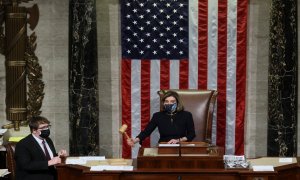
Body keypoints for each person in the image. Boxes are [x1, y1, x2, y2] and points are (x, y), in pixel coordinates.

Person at [127, 90, 196, 146]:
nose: (169, 104)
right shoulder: (157, 116)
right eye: (167, 101)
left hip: (181, 145)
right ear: (163, 103)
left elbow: (192, 134)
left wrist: (178, 140)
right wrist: (135, 140)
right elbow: (146, 132)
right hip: (163, 146)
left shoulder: (187, 115)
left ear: (177, 103)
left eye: (172, 101)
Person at [15, 115, 67, 180]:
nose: (46, 129)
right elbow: (26, 165)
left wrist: (59, 155)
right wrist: (49, 162)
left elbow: (46, 157)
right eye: (43, 128)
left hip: (51, 174)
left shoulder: (48, 139)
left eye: (48, 126)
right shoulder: (23, 144)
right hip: (33, 176)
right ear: (34, 130)